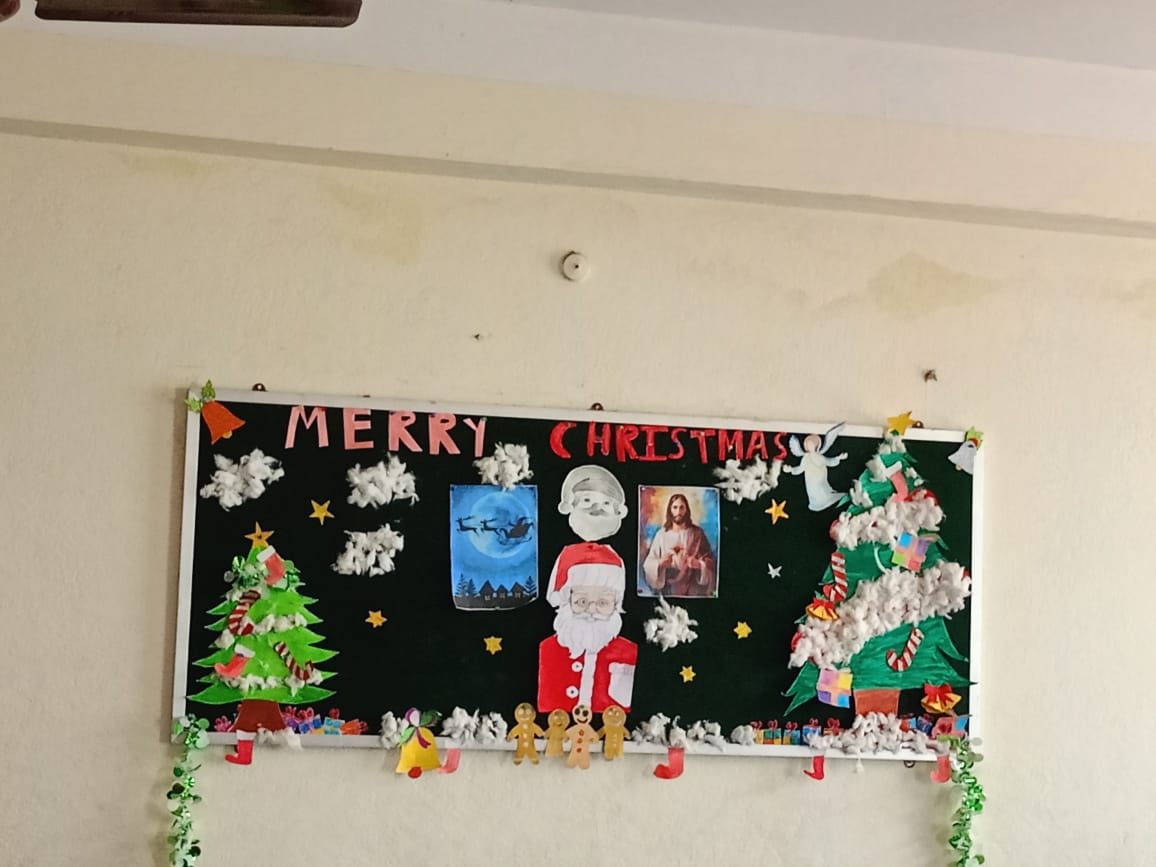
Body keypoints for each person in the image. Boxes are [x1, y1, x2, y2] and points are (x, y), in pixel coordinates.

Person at [537, 465, 638, 714]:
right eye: (582, 602)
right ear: (565, 602)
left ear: (616, 604)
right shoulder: (548, 650)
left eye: (603, 603)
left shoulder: (626, 651)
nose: (591, 611)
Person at [642, 493, 716, 597]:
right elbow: (648, 563)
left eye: (682, 507)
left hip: (692, 588)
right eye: (675, 507)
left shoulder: (697, 534)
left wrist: (699, 565)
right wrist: (661, 563)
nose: (678, 512)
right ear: (670, 510)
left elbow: (711, 562)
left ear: (686, 509)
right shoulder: (662, 534)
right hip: (667, 589)